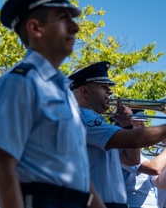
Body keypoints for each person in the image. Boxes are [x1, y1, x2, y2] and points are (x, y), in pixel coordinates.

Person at [0, 0, 105, 207]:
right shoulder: (20, 82)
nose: (75, 27)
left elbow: (81, 177)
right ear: (35, 28)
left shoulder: (63, 92)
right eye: (63, 18)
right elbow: (3, 168)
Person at [69, 61, 166, 207]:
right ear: (84, 91)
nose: (110, 92)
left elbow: (132, 159)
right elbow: (134, 141)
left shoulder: (95, 120)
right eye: (103, 87)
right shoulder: (83, 119)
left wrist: (127, 125)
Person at [120, 109, 166, 207]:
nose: (143, 128)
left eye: (143, 123)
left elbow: (159, 182)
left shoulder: (143, 157)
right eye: (138, 124)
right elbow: (154, 168)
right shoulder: (121, 150)